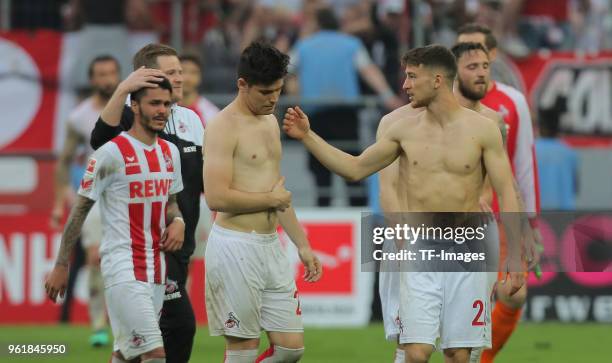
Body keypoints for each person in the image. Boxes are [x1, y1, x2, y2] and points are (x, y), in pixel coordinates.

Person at [284, 44, 526, 363]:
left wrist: (516, 255)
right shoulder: (402, 128)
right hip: (419, 247)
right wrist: (308, 136)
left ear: (437, 80)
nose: (405, 85)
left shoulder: (483, 128)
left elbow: (506, 190)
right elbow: (355, 168)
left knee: (459, 354)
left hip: (469, 248)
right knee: (415, 352)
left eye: (412, 76)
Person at [45, 78, 185, 363]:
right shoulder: (110, 153)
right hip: (122, 266)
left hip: (156, 269)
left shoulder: (170, 153)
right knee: (155, 354)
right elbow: (80, 210)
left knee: (126, 355)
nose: (162, 110)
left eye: (166, 104)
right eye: (154, 103)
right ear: (134, 106)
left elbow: (171, 203)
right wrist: (62, 263)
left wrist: (179, 221)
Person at [203, 41, 322, 363]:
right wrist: (270, 198)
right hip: (235, 248)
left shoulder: (270, 121)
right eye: (266, 92)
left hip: (271, 246)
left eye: (279, 91)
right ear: (242, 84)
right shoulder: (222, 127)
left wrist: (303, 244)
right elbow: (216, 197)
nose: (274, 99)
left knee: (290, 350)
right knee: (241, 351)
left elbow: (276, 190)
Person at [89, 43, 203, 363]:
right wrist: (125, 88)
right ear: (145, 80)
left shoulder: (191, 120)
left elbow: (198, 180)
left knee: (129, 350)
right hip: (145, 248)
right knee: (179, 328)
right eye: (171, 73)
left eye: (180, 71)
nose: (179, 78)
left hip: (180, 245)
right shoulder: (131, 114)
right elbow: (99, 140)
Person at [457, 24, 541, 363]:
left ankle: (481, 357)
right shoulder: (441, 100)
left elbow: (522, 163)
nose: (467, 57)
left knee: (514, 293)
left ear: (491, 55)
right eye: (460, 51)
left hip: (499, 210)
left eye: (476, 51)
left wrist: (530, 225)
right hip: (453, 213)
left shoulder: (511, 102)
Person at [288, 6, 403, 206]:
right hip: (346, 116)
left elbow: (285, 68)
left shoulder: (304, 46)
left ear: (317, 24)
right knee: (353, 167)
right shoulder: (351, 44)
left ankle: (323, 211)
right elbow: (369, 71)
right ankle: (357, 212)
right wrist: (388, 96)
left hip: (315, 117)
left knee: (320, 173)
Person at [51, 55, 121, 347]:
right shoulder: (79, 116)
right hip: (94, 192)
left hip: (128, 192)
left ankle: (127, 323)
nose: (106, 79)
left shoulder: (131, 107)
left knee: (130, 260)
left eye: (111, 73)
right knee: (95, 258)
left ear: (118, 75)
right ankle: (98, 326)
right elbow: (64, 161)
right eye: (100, 74)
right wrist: (58, 203)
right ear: (92, 79)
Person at [178, 53, 220, 128]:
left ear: (200, 77)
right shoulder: (164, 109)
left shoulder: (210, 113)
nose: (187, 78)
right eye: (182, 71)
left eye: (193, 72)